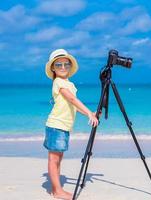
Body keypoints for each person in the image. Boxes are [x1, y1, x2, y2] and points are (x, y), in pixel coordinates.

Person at [44, 49, 99, 200]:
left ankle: (56, 188)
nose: (62, 67)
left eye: (65, 64)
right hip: (56, 125)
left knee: (58, 158)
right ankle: (57, 191)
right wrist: (88, 113)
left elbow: (73, 106)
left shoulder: (69, 83)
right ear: (53, 68)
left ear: (70, 66)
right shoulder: (58, 82)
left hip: (63, 126)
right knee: (54, 159)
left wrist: (91, 113)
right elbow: (72, 100)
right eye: (58, 65)